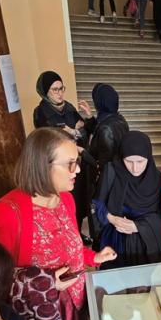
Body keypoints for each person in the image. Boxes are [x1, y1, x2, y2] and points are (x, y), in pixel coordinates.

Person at [0, 128, 117, 320]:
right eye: (70, 163)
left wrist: (93, 257)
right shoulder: (6, 214)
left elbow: (68, 246)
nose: (78, 170)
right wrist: (45, 283)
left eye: (78, 161)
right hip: (40, 317)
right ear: (43, 166)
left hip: (76, 301)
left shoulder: (65, 199)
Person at [93, 130, 161, 268]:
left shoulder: (157, 179)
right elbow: (98, 203)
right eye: (128, 161)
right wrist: (112, 218)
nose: (135, 168)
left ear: (149, 157)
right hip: (114, 241)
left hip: (145, 242)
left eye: (140, 161)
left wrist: (138, 226)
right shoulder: (112, 171)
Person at [33, 71, 97, 233]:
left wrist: (89, 117)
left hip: (77, 163)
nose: (60, 93)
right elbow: (49, 139)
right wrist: (73, 132)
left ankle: (78, 234)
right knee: (64, 202)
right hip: (59, 166)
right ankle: (68, 234)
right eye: (55, 90)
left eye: (61, 88)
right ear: (45, 91)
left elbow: (86, 130)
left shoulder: (68, 107)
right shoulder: (41, 112)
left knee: (80, 200)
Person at [89, 83, 130, 171]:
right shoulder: (120, 119)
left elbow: (105, 164)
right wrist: (90, 118)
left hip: (109, 177)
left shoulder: (106, 128)